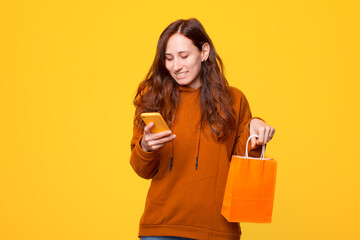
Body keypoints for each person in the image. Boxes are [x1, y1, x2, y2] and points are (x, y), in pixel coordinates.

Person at [130, 18, 275, 240]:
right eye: (168, 59)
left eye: (184, 56)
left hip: (217, 230)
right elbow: (142, 169)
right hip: (161, 228)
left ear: (204, 52)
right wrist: (145, 146)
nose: (176, 66)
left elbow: (243, 164)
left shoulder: (233, 100)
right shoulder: (153, 100)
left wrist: (254, 129)